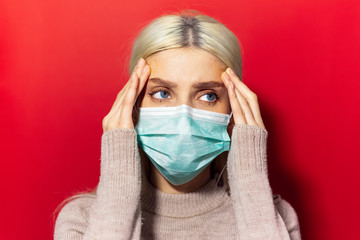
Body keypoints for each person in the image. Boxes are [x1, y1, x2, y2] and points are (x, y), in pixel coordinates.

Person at [53, 9, 301, 240]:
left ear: (233, 110)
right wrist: (119, 166)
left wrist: (251, 179)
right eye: (162, 93)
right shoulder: (81, 221)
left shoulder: (276, 220)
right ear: (133, 103)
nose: (184, 118)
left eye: (208, 96)